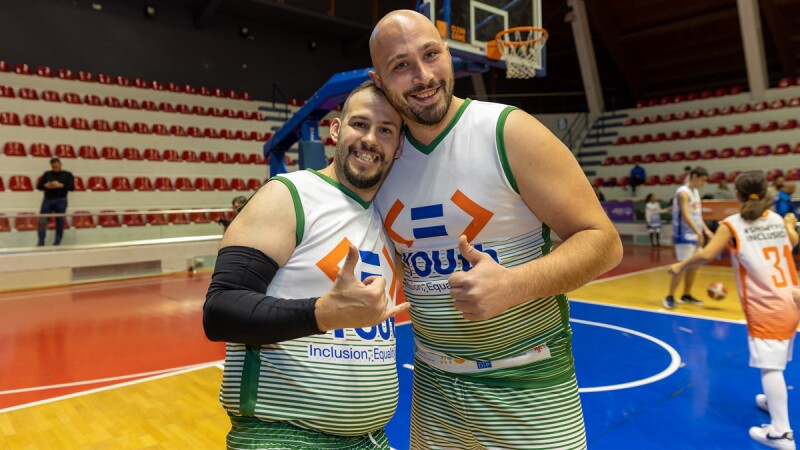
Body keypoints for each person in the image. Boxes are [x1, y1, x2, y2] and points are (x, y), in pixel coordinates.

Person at [369, 10, 623, 449]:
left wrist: (515, 284)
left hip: (531, 389)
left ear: (448, 54)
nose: (423, 75)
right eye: (401, 65)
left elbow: (603, 241)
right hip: (435, 395)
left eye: (431, 55)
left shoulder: (508, 131)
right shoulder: (382, 160)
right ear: (379, 80)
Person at [202, 80, 409, 449]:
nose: (371, 139)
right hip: (284, 438)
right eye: (360, 124)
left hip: (370, 439)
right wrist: (322, 313)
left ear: (398, 148)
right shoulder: (288, 195)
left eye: (386, 131)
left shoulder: (385, 218)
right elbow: (220, 309)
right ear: (335, 129)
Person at [669, 171, 799, 450]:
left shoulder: (732, 224)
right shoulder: (776, 218)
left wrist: (680, 266)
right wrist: (790, 224)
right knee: (777, 360)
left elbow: (706, 254)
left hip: (765, 305)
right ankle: (771, 400)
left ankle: (781, 434)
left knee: (771, 369)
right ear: (764, 193)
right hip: (791, 298)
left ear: (737, 195)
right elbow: (792, 242)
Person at [663, 166, 712, 309]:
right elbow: (685, 214)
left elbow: (697, 215)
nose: (703, 184)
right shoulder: (683, 193)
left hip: (695, 232)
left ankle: (686, 294)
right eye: (702, 180)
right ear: (694, 176)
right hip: (683, 234)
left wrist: (706, 230)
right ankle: (670, 296)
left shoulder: (695, 192)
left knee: (695, 265)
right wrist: (698, 232)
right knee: (682, 266)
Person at [36, 157, 74, 246]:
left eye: (56, 166)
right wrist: (46, 185)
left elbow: (71, 187)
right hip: (47, 200)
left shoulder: (67, 174)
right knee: (42, 220)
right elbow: (39, 186)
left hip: (61, 199)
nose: (55, 168)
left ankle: (57, 241)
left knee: (60, 221)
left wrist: (60, 185)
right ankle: (40, 241)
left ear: (60, 164)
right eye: (53, 167)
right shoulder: (47, 174)